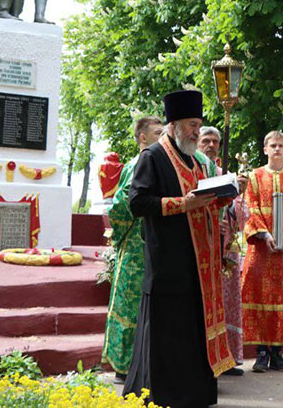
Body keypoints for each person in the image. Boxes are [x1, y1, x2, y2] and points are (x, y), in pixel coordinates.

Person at [123, 93, 236, 407]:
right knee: (167, 333)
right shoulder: (153, 157)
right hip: (167, 262)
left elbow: (201, 199)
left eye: (198, 126)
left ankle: (193, 394)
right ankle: (161, 396)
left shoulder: (193, 160)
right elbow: (137, 203)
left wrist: (221, 197)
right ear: (173, 125)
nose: (196, 133)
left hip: (196, 264)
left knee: (190, 331)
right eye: (191, 126)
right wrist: (182, 204)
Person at [241, 131, 283, 373]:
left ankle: (278, 353)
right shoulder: (254, 176)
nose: (277, 149)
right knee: (259, 295)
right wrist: (265, 234)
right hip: (261, 249)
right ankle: (261, 352)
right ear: (265, 149)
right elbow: (251, 208)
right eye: (273, 145)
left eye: (281, 146)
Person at [101, 116, 162, 383]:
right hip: (137, 246)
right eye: (158, 133)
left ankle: (141, 365)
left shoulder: (157, 162)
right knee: (129, 305)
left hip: (147, 244)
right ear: (143, 137)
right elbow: (122, 203)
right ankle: (125, 365)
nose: (163, 137)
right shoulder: (139, 163)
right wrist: (123, 236)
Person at [196, 125, 247, 376]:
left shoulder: (226, 174)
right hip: (204, 244)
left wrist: (234, 213)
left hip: (226, 248)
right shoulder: (194, 170)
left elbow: (242, 214)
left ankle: (227, 358)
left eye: (215, 141)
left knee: (226, 302)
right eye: (206, 140)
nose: (212, 145)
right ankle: (206, 359)